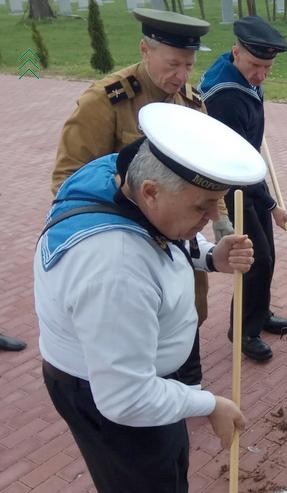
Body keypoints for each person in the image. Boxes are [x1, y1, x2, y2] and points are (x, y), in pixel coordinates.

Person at [34, 103, 263, 493]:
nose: (212, 217)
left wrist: (211, 256)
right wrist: (209, 404)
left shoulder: (122, 175)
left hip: (137, 375)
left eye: (217, 201)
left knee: (168, 468)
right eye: (201, 206)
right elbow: (126, 397)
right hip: (115, 397)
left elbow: (161, 236)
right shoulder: (116, 269)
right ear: (151, 191)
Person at [50, 8, 230, 386]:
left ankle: (185, 386)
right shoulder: (106, 102)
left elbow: (209, 178)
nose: (181, 76)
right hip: (126, 252)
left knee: (185, 317)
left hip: (182, 247)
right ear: (144, 50)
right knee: (136, 339)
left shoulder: (192, 102)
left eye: (189, 65)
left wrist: (222, 226)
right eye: (172, 64)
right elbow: (68, 181)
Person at [198, 16, 287, 362]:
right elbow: (236, 163)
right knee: (255, 259)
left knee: (267, 255)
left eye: (268, 67)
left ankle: (259, 313)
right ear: (236, 52)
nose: (261, 74)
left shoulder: (242, 77)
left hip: (246, 177)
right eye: (256, 65)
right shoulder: (226, 95)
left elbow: (248, 150)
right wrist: (269, 202)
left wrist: (267, 203)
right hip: (229, 187)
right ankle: (242, 331)